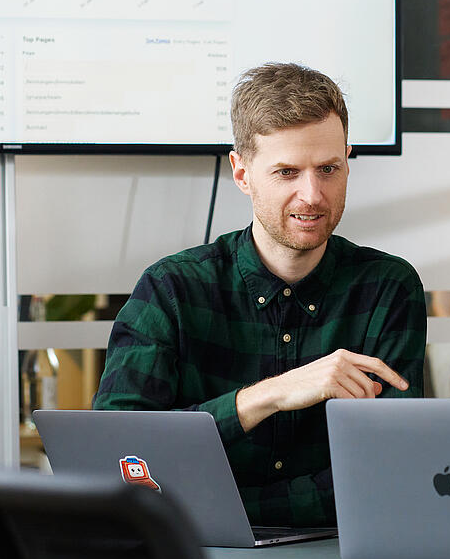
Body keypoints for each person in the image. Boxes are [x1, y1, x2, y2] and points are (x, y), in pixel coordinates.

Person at [94, 63, 426, 526]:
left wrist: (217, 506)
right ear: (241, 172)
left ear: (348, 160)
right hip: (195, 557)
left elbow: (389, 469)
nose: (312, 195)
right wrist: (267, 396)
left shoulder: (388, 288)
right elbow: (116, 456)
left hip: (332, 555)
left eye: (329, 168)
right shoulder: (171, 289)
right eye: (287, 172)